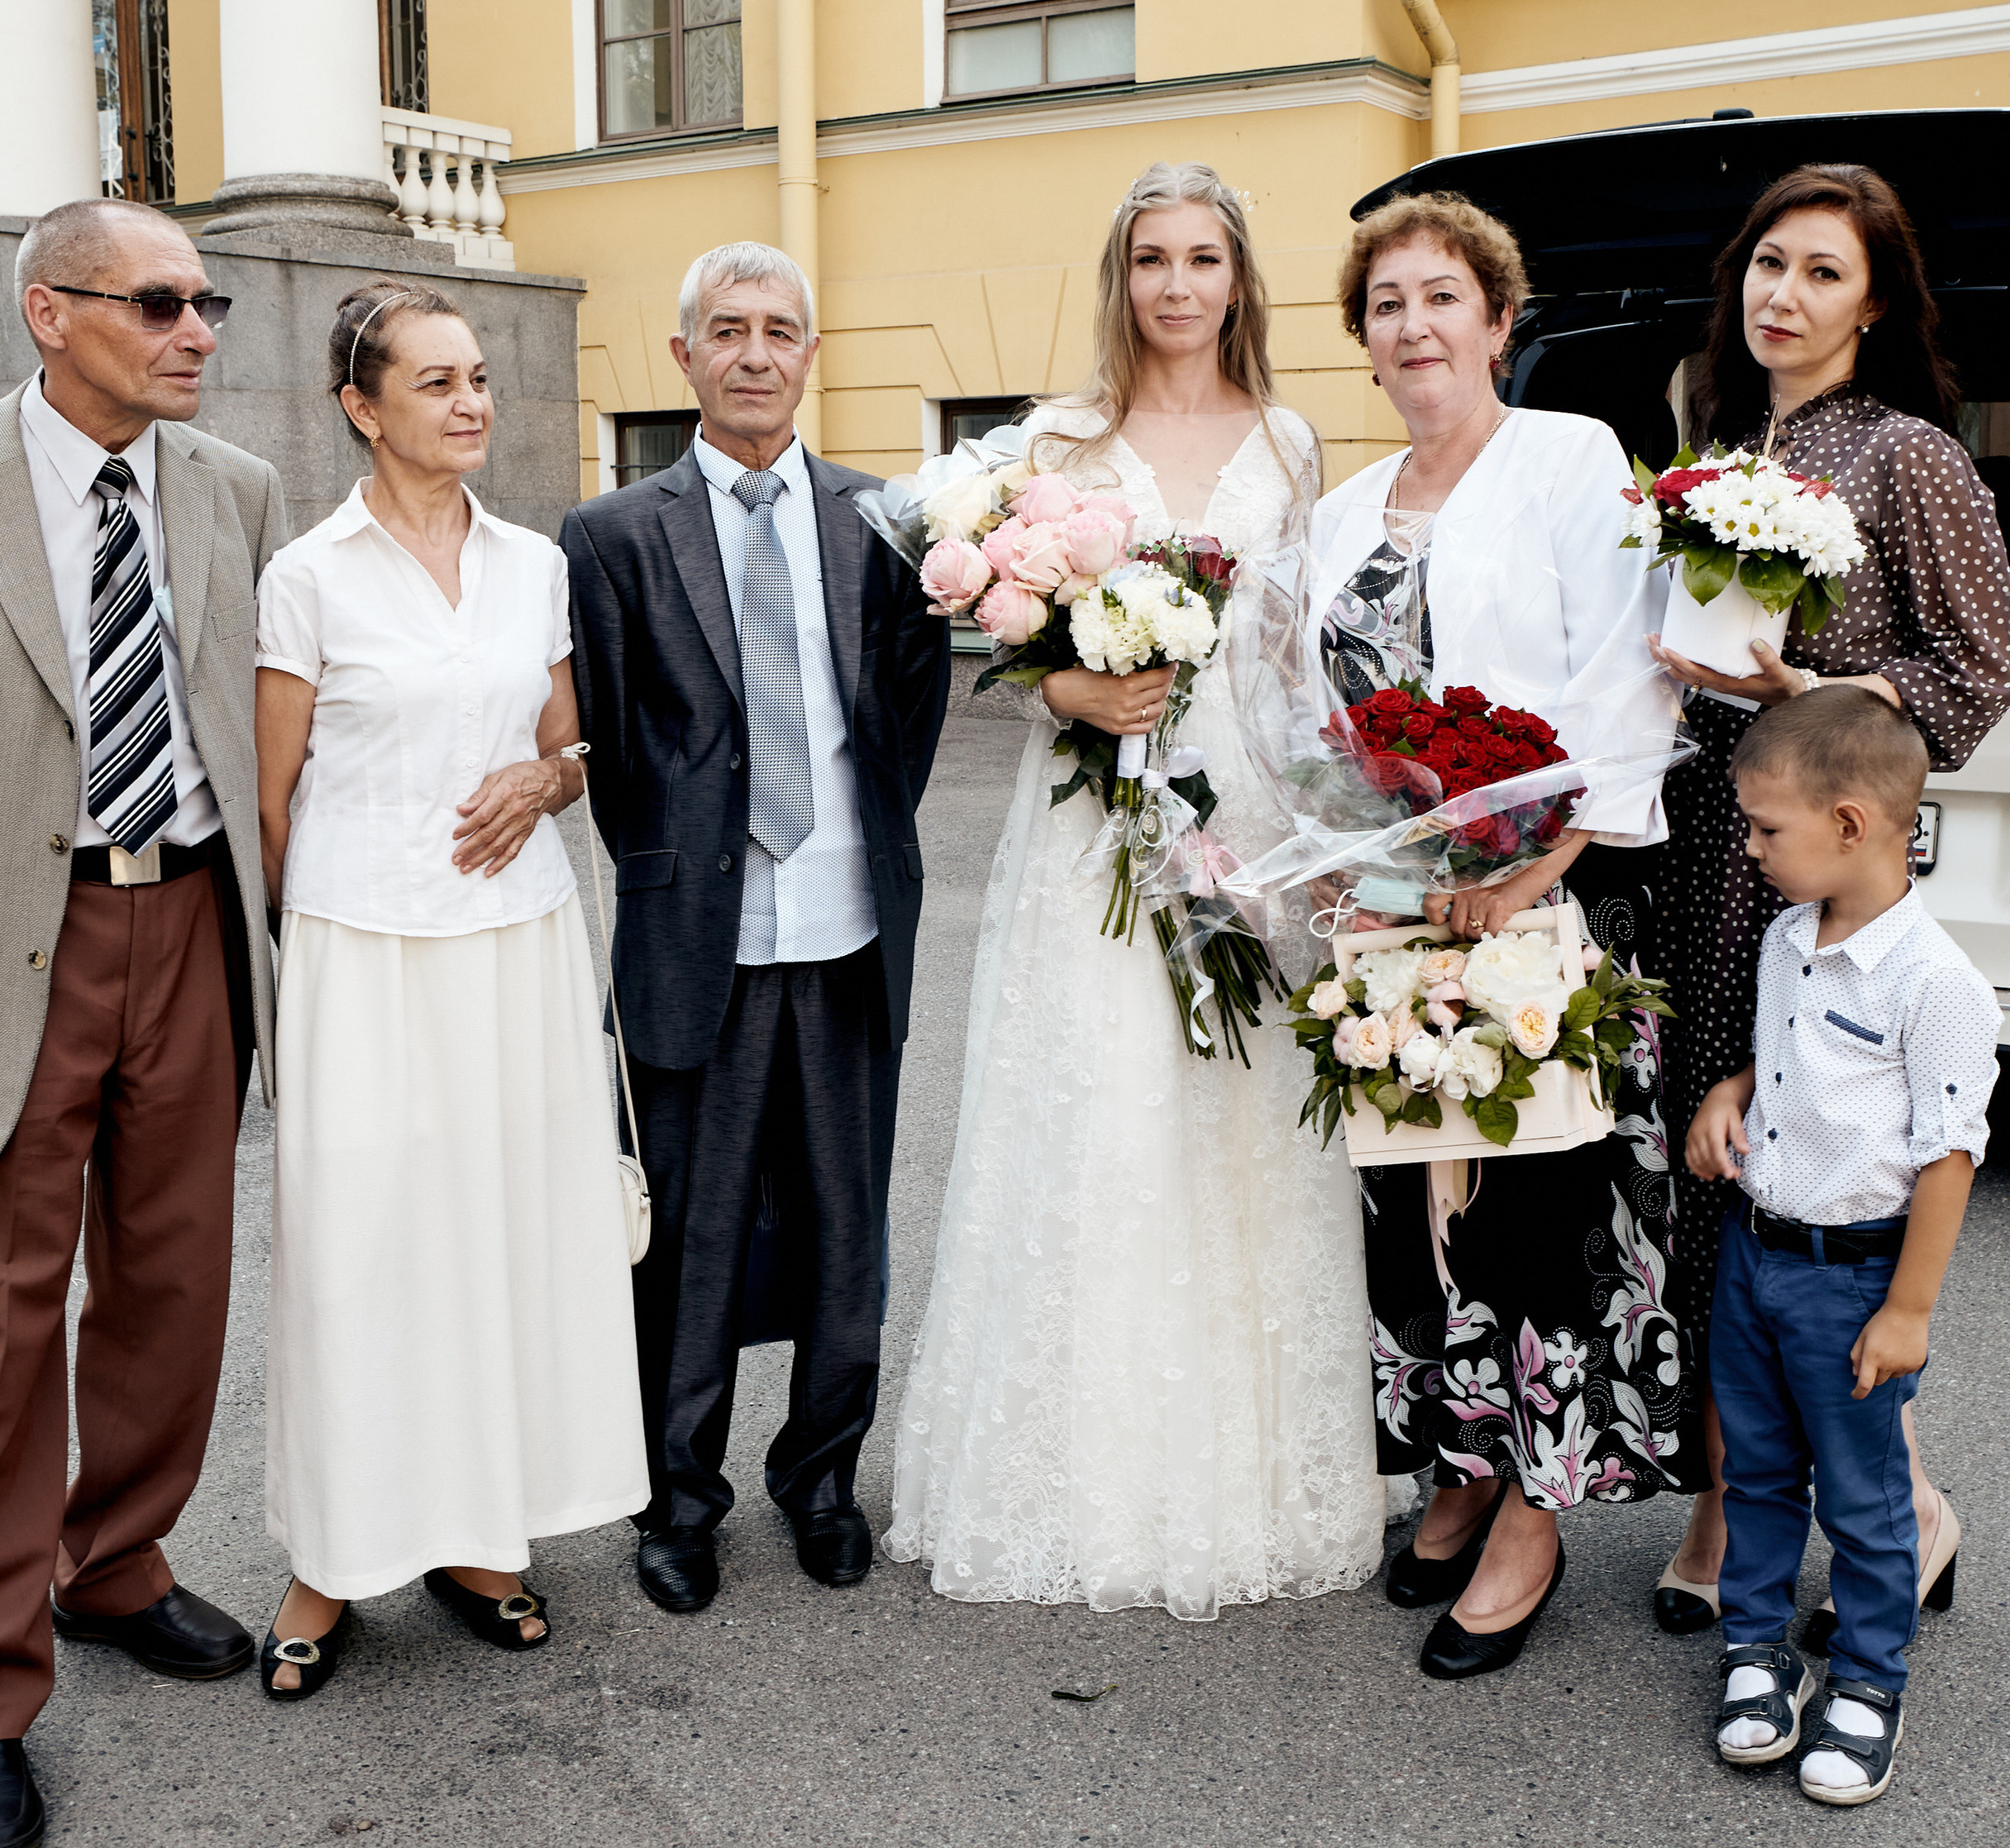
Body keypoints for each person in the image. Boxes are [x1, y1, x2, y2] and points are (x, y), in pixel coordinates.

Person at [885, 160, 1385, 1621]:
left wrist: (1333, 832)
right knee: (1095, 1103)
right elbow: (1000, 634)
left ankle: (1256, 1465)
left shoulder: (1290, 443)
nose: (1178, 284)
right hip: (1092, 823)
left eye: (1204, 259)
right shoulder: (1052, 442)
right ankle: (1071, 1465)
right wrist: (1068, 692)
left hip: (1245, 810)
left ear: (1240, 281)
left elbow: (1296, 658)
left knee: (1240, 1117)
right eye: (1154, 258)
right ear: (1123, 278)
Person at [1306, 191, 1697, 1678]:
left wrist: (1538, 871)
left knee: (1538, 1209)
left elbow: (1624, 682)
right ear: (1366, 336)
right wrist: (1339, 861)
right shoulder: (1345, 512)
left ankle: (1536, 1509)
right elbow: (1320, 724)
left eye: (1442, 297)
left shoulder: (1569, 459)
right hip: (1398, 912)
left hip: (1548, 898)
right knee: (1412, 1206)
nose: (1415, 325)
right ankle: (1458, 1462)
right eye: (1388, 304)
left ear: (1498, 319)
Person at [253, 280, 647, 1698]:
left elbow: (565, 742)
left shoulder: (535, 563)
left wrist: (554, 779)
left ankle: (480, 1536)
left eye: (478, 376)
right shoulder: (308, 573)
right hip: (364, 958)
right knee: (361, 1250)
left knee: (493, 1238)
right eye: (435, 382)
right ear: (362, 408)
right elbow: (273, 800)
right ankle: (332, 1557)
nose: (472, 400)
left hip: (517, 945)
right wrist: (327, 955)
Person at [1647, 164, 2010, 1639]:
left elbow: (1976, 669)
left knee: (1830, 1192)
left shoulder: (1915, 456)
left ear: (1873, 304)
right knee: (1710, 1188)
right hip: (1694, 850)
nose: (1782, 297)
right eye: (1767, 266)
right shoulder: (1707, 439)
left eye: (1820, 274)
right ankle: (1728, 1492)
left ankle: (1903, 1510)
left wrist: (1821, 697)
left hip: (1825, 867)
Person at [563, 242, 950, 1615]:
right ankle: (679, 1499)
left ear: (810, 352)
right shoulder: (611, 536)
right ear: (684, 359)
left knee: (850, 1230)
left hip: (848, 928)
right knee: (691, 1242)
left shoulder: (885, 521)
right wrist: (688, 873)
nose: (754, 352)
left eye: (780, 329)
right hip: (697, 943)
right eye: (726, 330)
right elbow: (610, 748)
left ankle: (822, 1477)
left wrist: (848, 842)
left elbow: (905, 721)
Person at [0, 199, 285, 1844]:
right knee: (11, 1316)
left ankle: (116, 1561)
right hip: (25, 947)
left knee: (176, 1275)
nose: (197, 329)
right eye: (161, 301)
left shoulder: (229, 491)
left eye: (210, 300)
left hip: (184, 911)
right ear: (51, 311)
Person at [1688, 686, 1996, 1807]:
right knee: (1756, 1473)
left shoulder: (1937, 984)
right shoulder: (1787, 939)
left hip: (1854, 1277)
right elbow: (1791, 1067)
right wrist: (1728, 1095)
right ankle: (1757, 1652)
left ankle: (1868, 1680)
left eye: (1768, 829)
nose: (1754, 849)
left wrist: (1906, 1312)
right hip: (1754, 1257)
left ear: (1853, 824)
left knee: (1862, 1501)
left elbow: (1947, 1160)